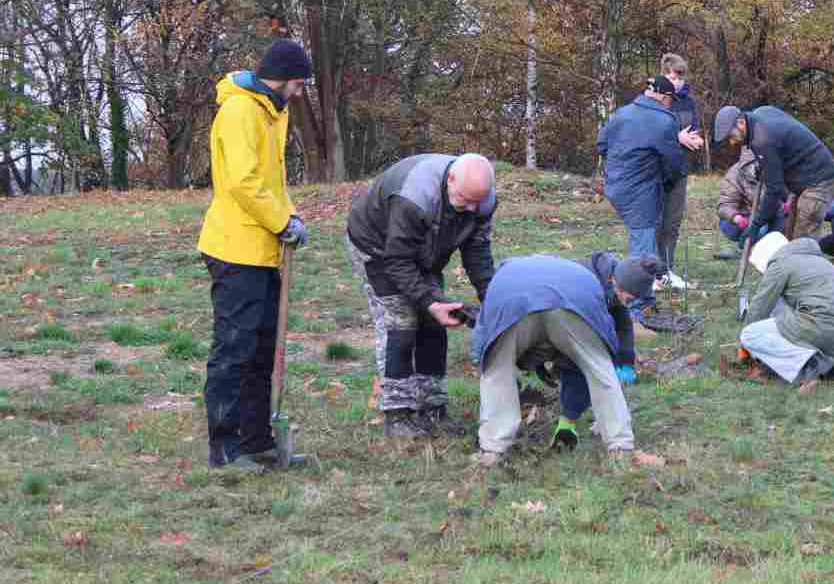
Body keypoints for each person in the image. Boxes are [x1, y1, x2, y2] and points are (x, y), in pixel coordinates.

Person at [196, 40, 313, 470]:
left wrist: (290, 215)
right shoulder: (240, 111)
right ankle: (224, 451)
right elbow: (244, 182)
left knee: (262, 350)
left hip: (264, 249)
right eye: (299, 84)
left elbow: (272, 180)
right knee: (235, 350)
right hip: (236, 249)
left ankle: (258, 442)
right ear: (281, 78)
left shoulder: (271, 111)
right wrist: (282, 222)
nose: (299, 94)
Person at [346, 153, 497, 438]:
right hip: (377, 248)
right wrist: (428, 301)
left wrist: (492, 299)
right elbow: (398, 260)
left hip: (422, 251)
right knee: (401, 321)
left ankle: (432, 408)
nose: (472, 208)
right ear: (450, 179)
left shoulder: (482, 199)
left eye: (478, 202)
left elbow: (478, 253)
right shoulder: (414, 195)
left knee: (434, 323)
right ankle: (398, 413)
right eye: (465, 200)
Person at [472, 255, 652, 460]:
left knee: (496, 370)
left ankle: (492, 450)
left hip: (511, 299)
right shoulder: (591, 279)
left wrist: (486, 359)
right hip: (573, 301)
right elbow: (602, 342)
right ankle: (620, 447)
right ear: (613, 280)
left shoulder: (504, 274)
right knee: (598, 368)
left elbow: (483, 336)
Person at [597, 75, 688, 317]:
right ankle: (639, 310)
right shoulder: (664, 121)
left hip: (616, 185)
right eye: (671, 99)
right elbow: (674, 162)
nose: (671, 104)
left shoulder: (621, 113)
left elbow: (602, 144)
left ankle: (658, 281)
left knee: (642, 236)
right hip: (639, 190)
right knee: (643, 249)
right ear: (663, 96)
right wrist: (667, 180)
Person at [738, 232, 834, 385]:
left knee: (749, 335)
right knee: (782, 305)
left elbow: (759, 309)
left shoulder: (780, 264)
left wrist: (744, 345)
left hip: (824, 325)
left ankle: (810, 366)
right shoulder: (816, 260)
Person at [712, 104, 834, 241]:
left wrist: (755, 225)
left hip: (818, 181)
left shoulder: (763, 139)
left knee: (802, 241)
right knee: (789, 236)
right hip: (803, 180)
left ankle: (807, 261)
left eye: (731, 135)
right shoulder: (760, 114)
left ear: (741, 123)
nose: (732, 142)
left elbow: (774, 190)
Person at [655, 54, 703, 289]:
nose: (675, 81)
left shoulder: (689, 102)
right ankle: (651, 272)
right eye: (670, 76)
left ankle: (667, 270)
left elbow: (694, 129)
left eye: (679, 76)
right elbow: (648, 132)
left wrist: (695, 140)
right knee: (654, 221)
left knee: (672, 223)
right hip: (655, 170)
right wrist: (678, 137)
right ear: (663, 75)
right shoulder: (653, 98)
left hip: (680, 169)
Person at [717, 146, 785, 247]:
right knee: (757, 230)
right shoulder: (735, 174)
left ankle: (766, 250)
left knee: (769, 228)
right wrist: (738, 218)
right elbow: (725, 205)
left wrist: (785, 205)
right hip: (745, 216)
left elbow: (787, 195)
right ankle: (746, 247)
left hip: (769, 217)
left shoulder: (778, 169)